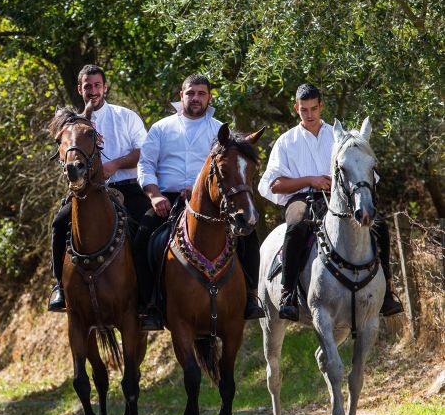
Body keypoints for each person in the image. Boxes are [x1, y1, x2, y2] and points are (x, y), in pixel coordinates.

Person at [257, 83, 403, 320]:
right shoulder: (286, 141)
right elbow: (273, 185)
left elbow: (363, 172)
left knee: (381, 226)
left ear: (321, 106)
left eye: (314, 108)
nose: (310, 114)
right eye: (304, 109)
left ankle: (386, 293)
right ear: (296, 108)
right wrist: (310, 180)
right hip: (302, 198)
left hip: (340, 199)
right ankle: (288, 294)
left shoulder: (340, 137)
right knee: (296, 226)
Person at [135, 74, 264, 330]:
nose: (195, 98)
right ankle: (148, 305)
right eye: (190, 93)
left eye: (201, 93)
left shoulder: (221, 132)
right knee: (142, 237)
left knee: (249, 234)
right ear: (181, 95)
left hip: (211, 202)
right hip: (167, 200)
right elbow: (145, 164)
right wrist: (154, 195)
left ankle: (250, 296)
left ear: (209, 97)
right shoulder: (161, 128)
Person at [48, 64, 150, 312]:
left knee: (148, 228)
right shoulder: (72, 124)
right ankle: (60, 288)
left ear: (105, 87)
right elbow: (65, 157)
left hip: (126, 188)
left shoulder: (126, 116)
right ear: (80, 89)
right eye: (87, 86)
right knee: (59, 224)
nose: (93, 91)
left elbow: (146, 154)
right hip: (87, 191)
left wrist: (114, 164)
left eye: (97, 85)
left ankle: (150, 296)